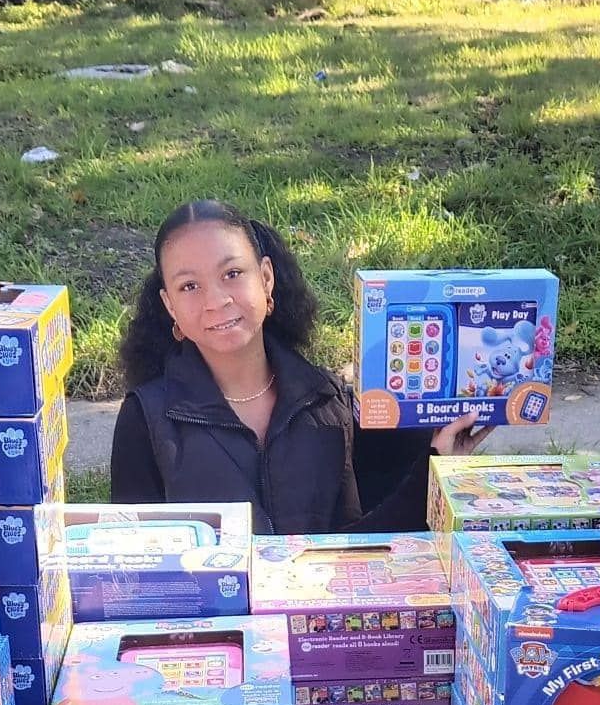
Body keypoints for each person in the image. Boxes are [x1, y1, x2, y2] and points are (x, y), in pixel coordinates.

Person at [110, 200, 477, 532]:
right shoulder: (145, 418)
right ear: (170, 304)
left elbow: (351, 553)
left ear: (265, 278)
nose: (216, 301)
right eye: (189, 286)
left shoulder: (324, 401)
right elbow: (137, 571)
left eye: (232, 274)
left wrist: (437, 466)